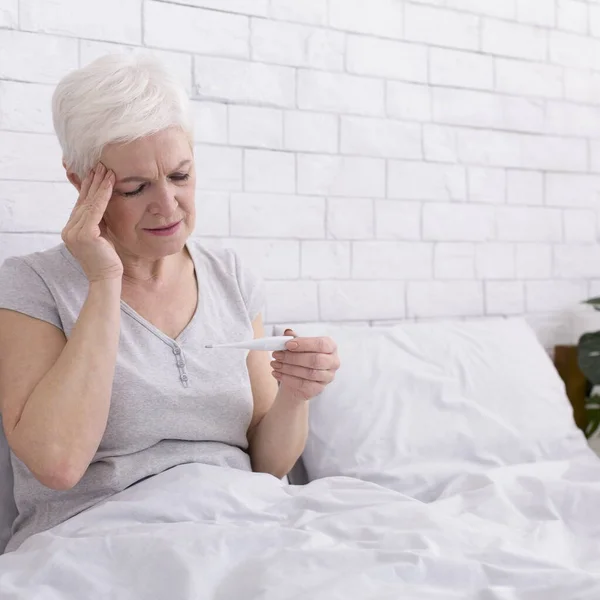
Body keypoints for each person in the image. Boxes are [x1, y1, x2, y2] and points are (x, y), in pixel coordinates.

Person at [0, 53, 340, 553]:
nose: (167, 205)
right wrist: (103, 280)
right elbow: (58, 464)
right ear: (80, 183)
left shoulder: (230, 276)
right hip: (104, 539)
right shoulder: (32, 284)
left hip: (243, 524)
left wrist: (295, 394)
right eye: (135, 188)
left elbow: (269, 465)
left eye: (180, 176)